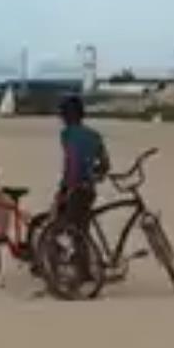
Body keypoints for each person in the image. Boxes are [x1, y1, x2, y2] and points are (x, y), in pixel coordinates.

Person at [54, 95, 110, 280]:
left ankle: (81, 270)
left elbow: (72, 163)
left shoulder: (67, 135)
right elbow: (104, 164)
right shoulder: (95, 135)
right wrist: (94, 175)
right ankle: (84, 267)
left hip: (75, 187)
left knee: (68, 227)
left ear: (66, 116)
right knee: (82, 228)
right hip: (89, 188)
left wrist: (65, 188)